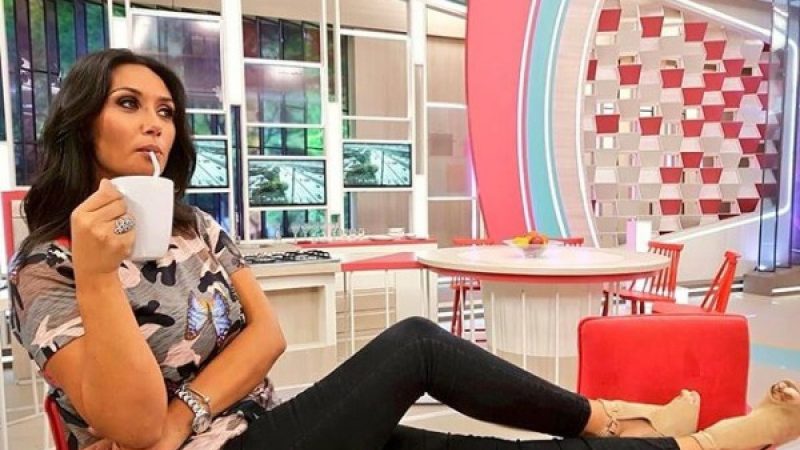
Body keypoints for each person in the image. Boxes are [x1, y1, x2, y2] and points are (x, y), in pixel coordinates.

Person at [7, 48, 799, 450]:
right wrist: (101, 276)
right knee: (416, 344)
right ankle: (611, 420)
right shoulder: (47, 270)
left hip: (268, 428)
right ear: (83, 121)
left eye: (167, 111)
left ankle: (689, 444)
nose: (155, 123)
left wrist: (187, 409)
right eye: (130, 104)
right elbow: (137, 432)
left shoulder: (197, 228)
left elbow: (268, 337)